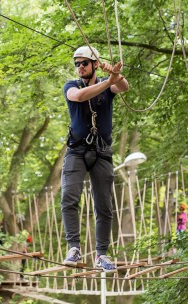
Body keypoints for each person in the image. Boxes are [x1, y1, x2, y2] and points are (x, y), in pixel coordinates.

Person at [60, 46, 129, 273]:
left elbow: (124, 87)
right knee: (69, 197)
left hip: (101, 152)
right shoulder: (71, 86)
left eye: (84, 63)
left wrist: (115, 75)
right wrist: (109, 80)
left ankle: (101, 254)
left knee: (104, 205)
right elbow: (79, 97)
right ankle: (73, 248)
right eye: (77, 64)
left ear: (95, 65)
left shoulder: (108, 87)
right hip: (77, 151)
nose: (80, 67)